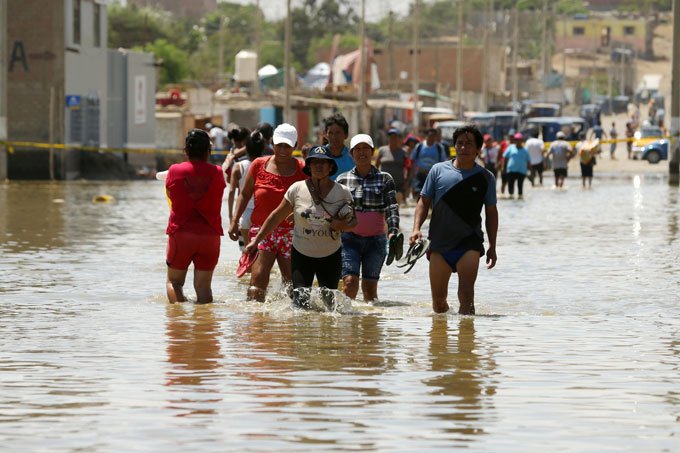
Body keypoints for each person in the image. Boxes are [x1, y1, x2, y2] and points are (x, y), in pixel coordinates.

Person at [244, 146, 357, 310]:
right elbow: (276, 216)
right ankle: (302, 334)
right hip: (302, 255)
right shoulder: (296, 189)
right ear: (308, 166)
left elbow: (354, 222)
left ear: (331, 167)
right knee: (300, 304)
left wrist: (340, 225)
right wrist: (255, 241)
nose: (319, 166)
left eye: (323, 163)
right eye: (314, 162)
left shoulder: (343, 192)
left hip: (330, 255)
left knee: (329, 305)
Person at [410, 124, 498, 315]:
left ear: (478, 149)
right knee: (439, 304)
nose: (463, 148)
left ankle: (466, 343)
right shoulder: (437, 171)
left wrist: (493, 245)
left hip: (469, 243)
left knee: (467, 299)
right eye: (459, 143)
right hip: (439, 243)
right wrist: (416, 228)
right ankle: (441, 342)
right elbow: (423, 202)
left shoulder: (486, 178)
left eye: (468, 144)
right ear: (454, 146)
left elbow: (491, 212)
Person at [228, 123, 306, 302]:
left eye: (287, 146)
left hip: (291, 233)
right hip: (262, 232)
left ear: (295, 146)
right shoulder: (258, 165)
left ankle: (291, 325)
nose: (283, 150)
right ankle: (256, 323)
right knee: (257, 280)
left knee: (292, 285)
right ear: (272, 143)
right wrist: (234, 221)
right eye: (279, 145)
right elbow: (245, 194)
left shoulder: (303, 169)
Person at [336, 134, 400, 302]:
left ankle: (369, 326)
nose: (361, 152)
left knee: (370, 291)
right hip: (349, 241)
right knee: (349, 284)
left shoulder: (385, 178)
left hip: (376, 242)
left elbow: (392, 208)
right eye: (357, 149)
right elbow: (334, 210)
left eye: (365, 148)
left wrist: (393, 232)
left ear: (372, 152)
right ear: (351, 153)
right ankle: (345, 325)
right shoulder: (342, 179)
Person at [164, 129, 226, 304]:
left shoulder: (174, 170)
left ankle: (180, 322)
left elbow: (169, 193)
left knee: (174, 283)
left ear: (186, 150)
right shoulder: (217, 172)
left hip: (181, 234)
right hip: (209, 236)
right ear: (209, 151)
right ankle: (204, 327)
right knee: (204, 287)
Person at [228, 130, 266, 251]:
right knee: (262, 255)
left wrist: (232, 218)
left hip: (244, 216)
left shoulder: (239, 166)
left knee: (246, 254)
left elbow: (231, 192)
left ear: (246, 148)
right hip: (263, 215)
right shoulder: (268, 165)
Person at [410, 127, 448, 200]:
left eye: (434, 136)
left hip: (433, 176)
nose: (432, 137)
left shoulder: (439, 147)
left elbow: (443, 162)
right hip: (420, 175)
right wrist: (412, 173)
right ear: (426, 136)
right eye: (430, 135)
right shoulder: (419, 146)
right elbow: (413, 160)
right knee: (419, 194)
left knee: (431, 197)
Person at [375, 128, 408, 205]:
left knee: (395, 206)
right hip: (384, 183)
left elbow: (408, 167)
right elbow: (376, 166)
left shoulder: (403, 152)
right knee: (385, 205)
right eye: (391, 137)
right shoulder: (382, 150)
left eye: (395, 137)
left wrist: (407, 182)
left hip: (398, 183)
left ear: (398, 139)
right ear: (388, 138)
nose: (393, 139)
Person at [323, 112, 356, 180]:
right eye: (330, 133)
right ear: (325, 134)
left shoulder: (353, 158)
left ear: (346, 134)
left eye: (338, 133)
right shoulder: (319, 156)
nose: (334, 137)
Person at [503, 132, 531, 198]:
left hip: (521, 171)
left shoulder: (525, 150)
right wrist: (504, 169)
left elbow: (528, 161)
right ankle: (511, 198)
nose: (517, 141)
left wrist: (530, 172)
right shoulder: (510, 147)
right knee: (510, 187)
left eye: (519, 139)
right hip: (511, 170)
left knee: (520, 187)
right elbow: (505, 158)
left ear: (522, 140)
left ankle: (520, 198)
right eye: (516, 139)